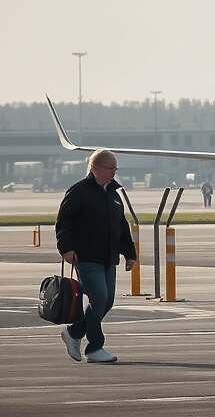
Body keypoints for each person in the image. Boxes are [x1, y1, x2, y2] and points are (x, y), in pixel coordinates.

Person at [54, 149, 137, 364]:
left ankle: (73, 333)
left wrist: (130, 253)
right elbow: (64, 221)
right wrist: (66, 248)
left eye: (115, 169)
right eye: (110, 169)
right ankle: (95, 347)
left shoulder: (113, 194)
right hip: (87, 256)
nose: (114, 173)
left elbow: (121, 226)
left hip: (108, 257)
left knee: (106, 301)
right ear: (95, 168)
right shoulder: (79, 191)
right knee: (99, 297)